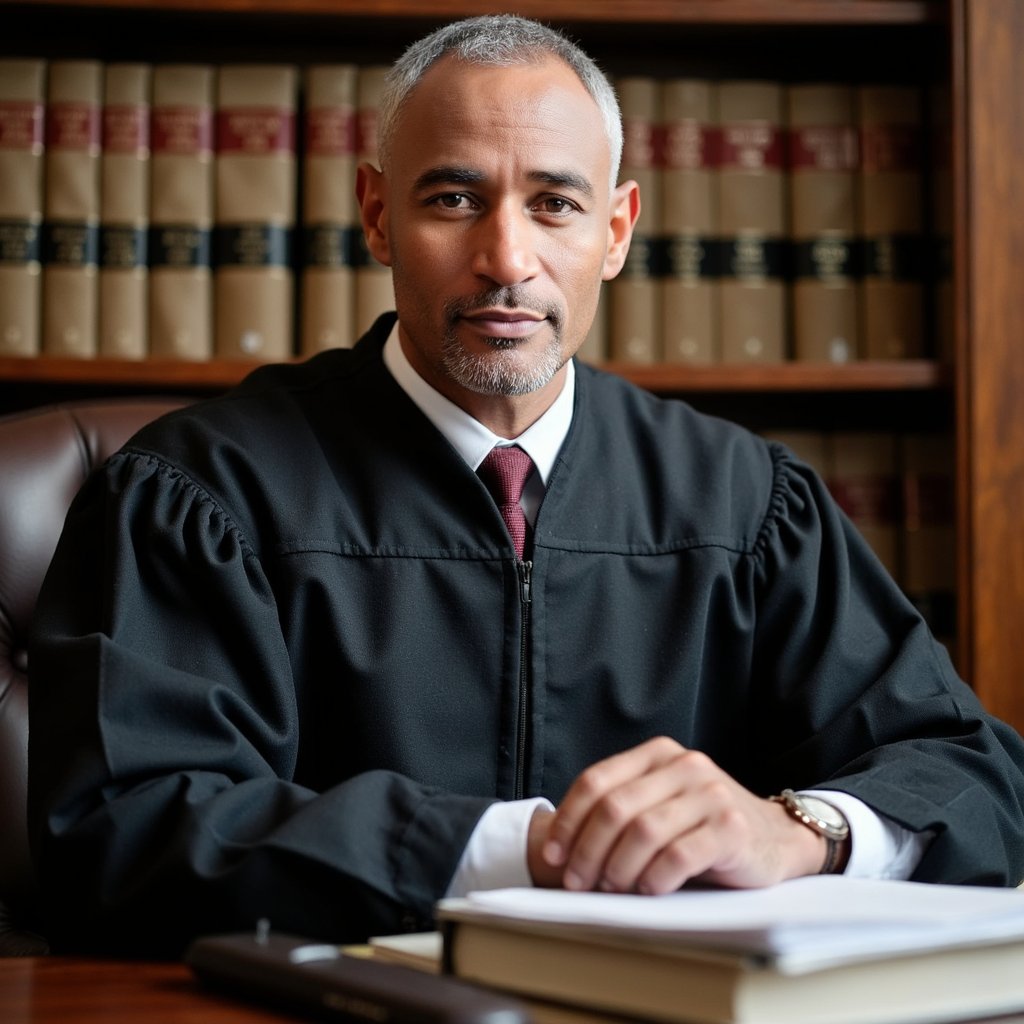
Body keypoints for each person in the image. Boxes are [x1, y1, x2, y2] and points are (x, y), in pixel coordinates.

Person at [28, 14, 1024, 958]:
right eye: (453, 199)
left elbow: (976, 776)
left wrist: (801, 831)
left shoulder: (745, 503)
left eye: (555, 203)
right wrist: (523, 850)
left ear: (617, 230)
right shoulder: (200, 493)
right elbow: (126, 826)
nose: (507, 259)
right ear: (376, 215)